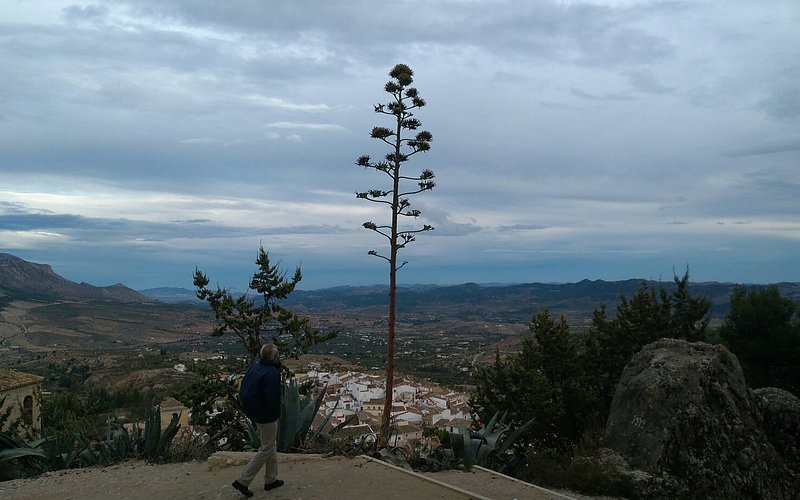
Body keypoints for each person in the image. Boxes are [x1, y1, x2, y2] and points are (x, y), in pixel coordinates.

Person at [231, 343, 284, 497]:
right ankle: (243, 480)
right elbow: (272, 397)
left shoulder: (255, 367)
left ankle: (271, 479)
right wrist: (275, 413)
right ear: (274, 357)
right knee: (266, 449)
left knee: (269, 444)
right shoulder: (272, 373)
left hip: (254, 412)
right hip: (266, 416)